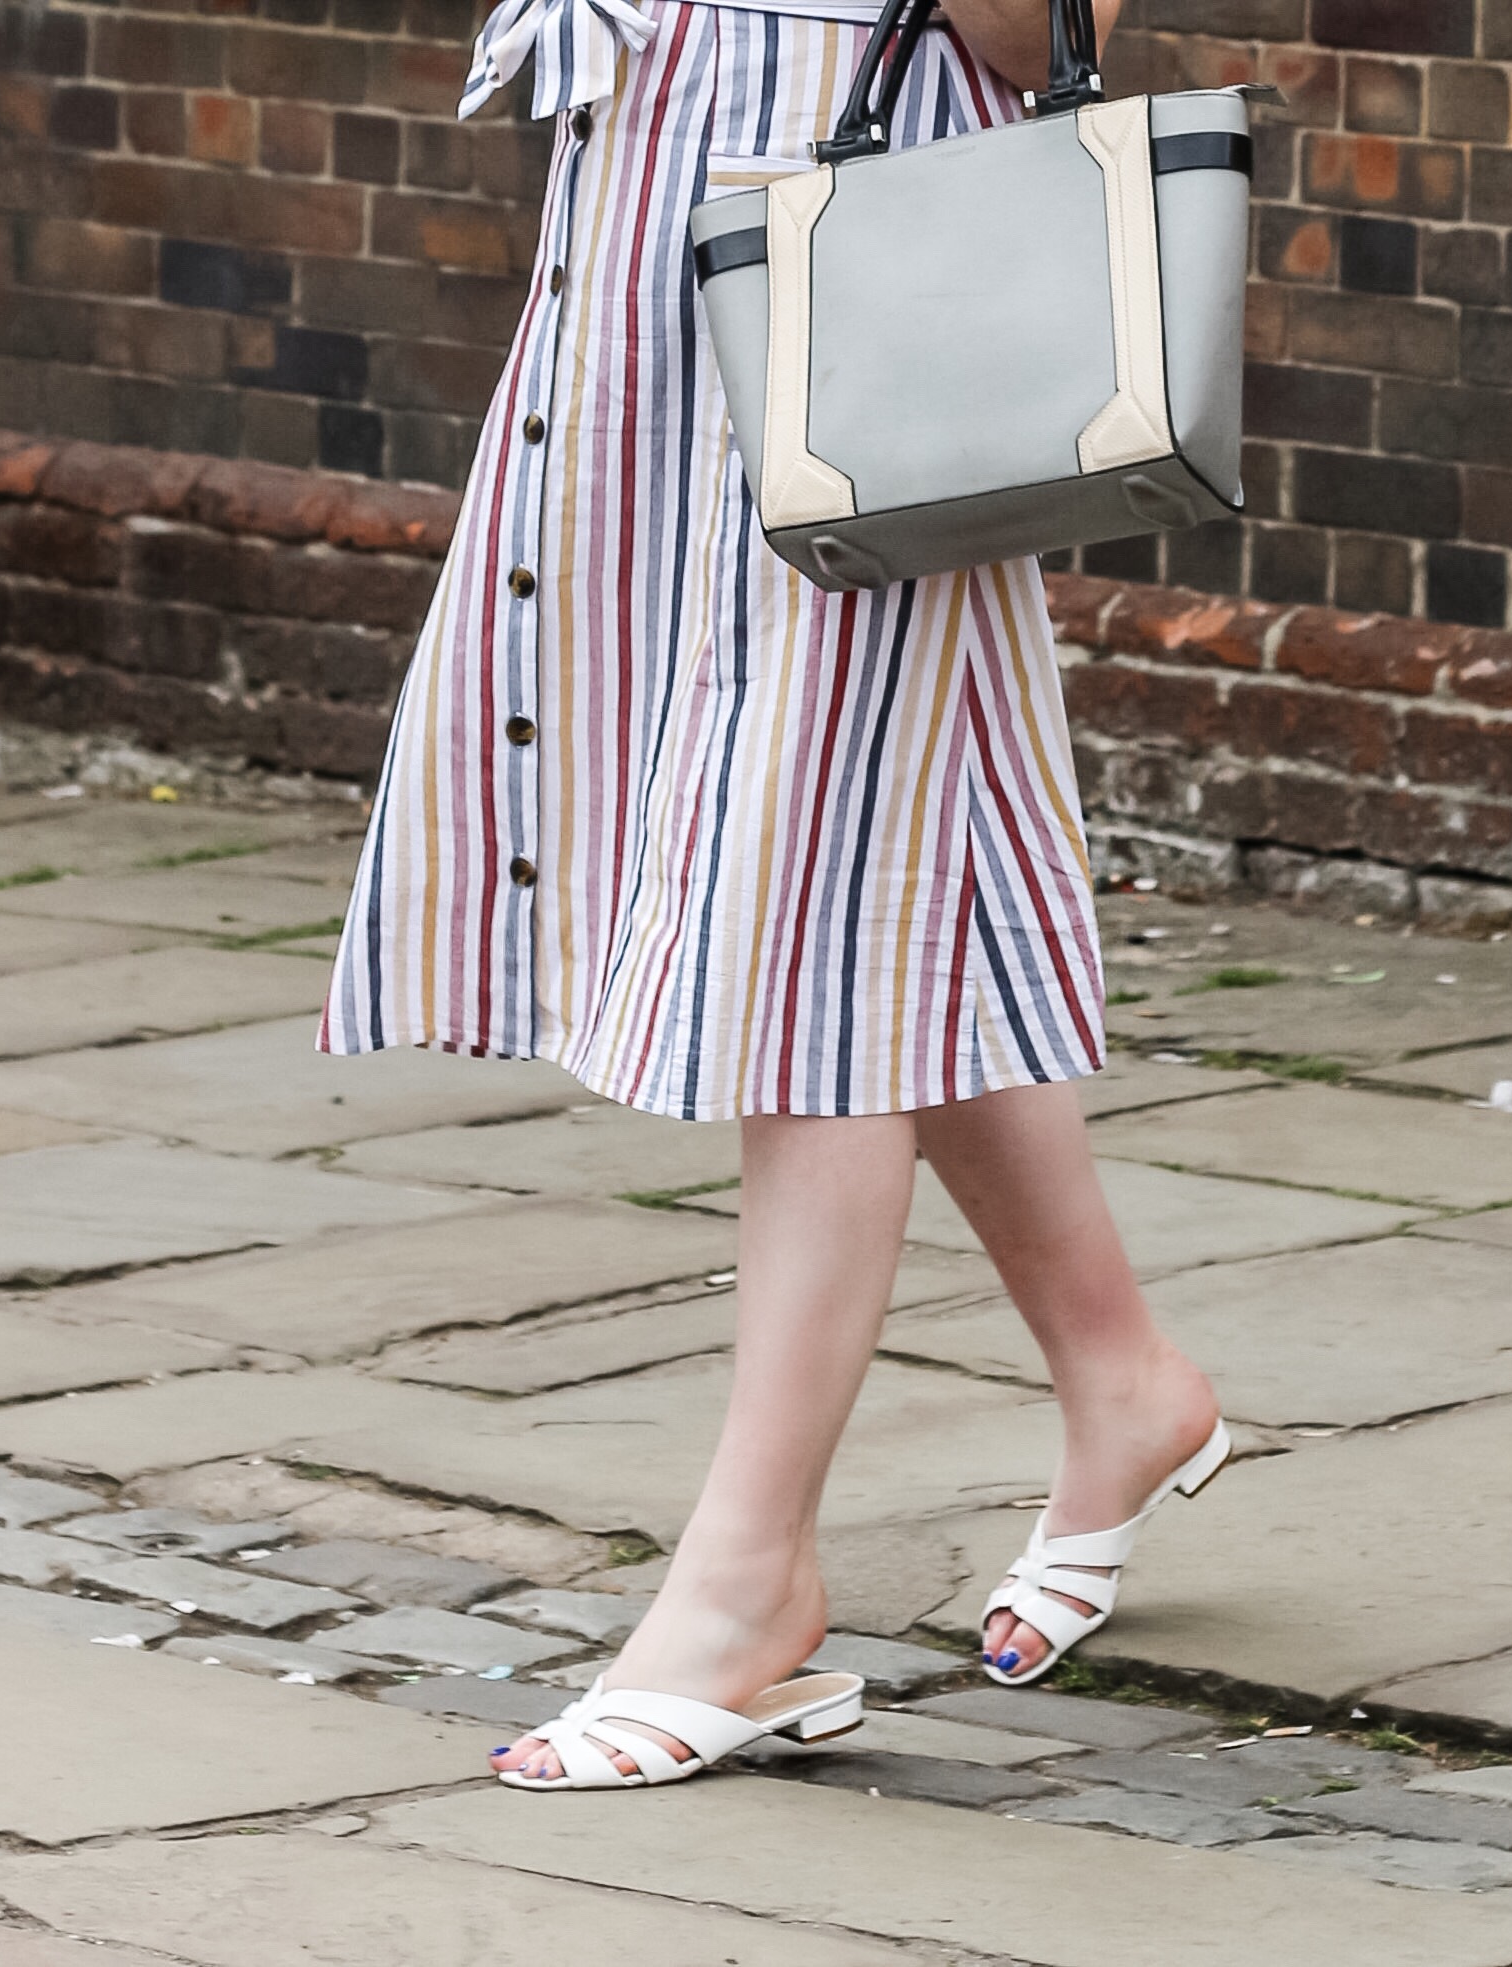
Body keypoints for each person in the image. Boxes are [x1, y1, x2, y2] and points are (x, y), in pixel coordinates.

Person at [319, 0, 1229, 1790]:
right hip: (656, 289)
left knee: (800, 907)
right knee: (869, 879)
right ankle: (1123, 1382)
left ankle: (749, 1590)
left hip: (863, 312)